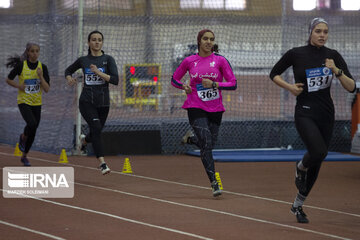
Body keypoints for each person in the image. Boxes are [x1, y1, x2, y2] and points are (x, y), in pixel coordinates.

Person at [269, 18, 356, 223]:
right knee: (318, 151)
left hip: (326, 114)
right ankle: (300, 167)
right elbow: (274, 73)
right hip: (305, 112)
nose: (322, 35)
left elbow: (352, 87)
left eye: (325, 32)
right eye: (318, 31)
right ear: (310, 32)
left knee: (317, 161)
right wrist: (290, 88)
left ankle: (298, 206)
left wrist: (337, 71)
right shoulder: (296, 53)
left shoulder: (333, 56)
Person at [171, 29, 237, 197]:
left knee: (209, 144)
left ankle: (191, 139)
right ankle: (214, 182)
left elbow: (233, 83)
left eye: (212, 39)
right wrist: (183, 86)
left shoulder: (220, 61)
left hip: (215, 108)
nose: (209, 42)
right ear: (199, 41)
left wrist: (215, 85)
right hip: (195, 106)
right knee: (206, 142)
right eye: (206, 39)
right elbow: (174, 79)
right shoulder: (189, 61)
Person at [65, 30, 119, 175]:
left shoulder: (108, 59)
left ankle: (84, 141)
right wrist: (69, 78)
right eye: (94, 40)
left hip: (103, 102)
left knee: (96, 130)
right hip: (87, 101)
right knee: (95, 127)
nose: (96, 42)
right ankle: (102, 163)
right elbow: (68, 70)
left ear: (102, 42)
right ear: (88, 43)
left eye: (99, 40)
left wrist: (99, 73)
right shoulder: (83, 60)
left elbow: (115, 80)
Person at [5, 42, 50, 166]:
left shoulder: (43, 67)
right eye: (32, 51)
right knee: (32, 123)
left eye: (37, 51)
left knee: (34, 129)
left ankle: (24, 156)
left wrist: (41, 77)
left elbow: (47, 89)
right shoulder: (21, 66)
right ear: (28, 53)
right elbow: (8, 79)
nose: (35, 53)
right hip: (24, 101)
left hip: (37, 102)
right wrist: (19, 86)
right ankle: (23, 136)